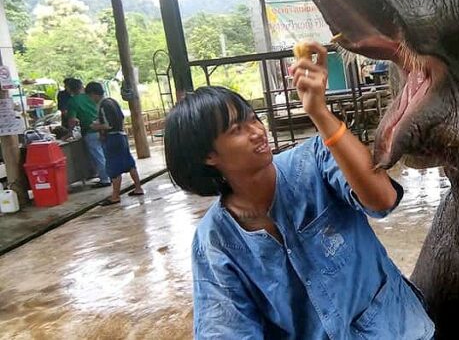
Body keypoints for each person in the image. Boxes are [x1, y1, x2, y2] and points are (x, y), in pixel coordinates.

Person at [164, 42, 434, 339]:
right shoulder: (215, 241)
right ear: (208, 156)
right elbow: (226, 329)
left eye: (253, 118)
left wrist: (319, 113)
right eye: (236, 130)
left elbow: (383, 200)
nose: (257, 131)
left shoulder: (316, 159)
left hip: (399, 330)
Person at [85, 82, 144, 206]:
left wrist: (96, 126)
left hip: (112, 138)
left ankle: (115, 196)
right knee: (129, 163)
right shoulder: (113, 101)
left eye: (90, 96)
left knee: (114, 167)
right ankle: (138, 188)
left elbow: (108, 125)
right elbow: (120, 117)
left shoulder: (103, 105)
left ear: (93, 94)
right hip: (121, 135)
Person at [65, 78, 108, 187]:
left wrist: (69, 133)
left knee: (98, 156)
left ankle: (105, 179)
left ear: (69, 89)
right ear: (81, 86)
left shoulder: (73, 101)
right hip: (103, 128)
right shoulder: (91, 97)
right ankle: (111, 176)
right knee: (104, 154)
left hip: (90, 131)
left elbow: (72, 120)